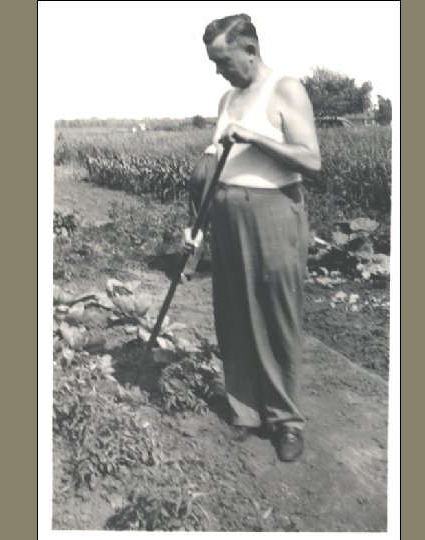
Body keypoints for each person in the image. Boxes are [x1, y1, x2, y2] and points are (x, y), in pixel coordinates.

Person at [183, 13, 321, 463]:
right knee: (234, 315)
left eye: (222, 60)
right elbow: (210, 165)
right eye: (213, 62)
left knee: (276, 315)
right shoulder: (228, 98)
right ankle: (247, 412)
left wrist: (256, 139)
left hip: (273, 214)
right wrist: (196, 225)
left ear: (249, 50)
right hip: (225, 216)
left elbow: (311, 161)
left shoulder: (285, 88)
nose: (218, 70)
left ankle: (286, 422)